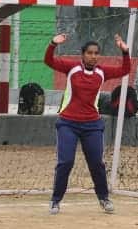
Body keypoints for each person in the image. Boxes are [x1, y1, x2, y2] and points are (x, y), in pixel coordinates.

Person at [44, 32, 131, 215]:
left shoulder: (102, 72)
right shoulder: (72, 68)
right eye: (90, 53)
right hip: (68, 123)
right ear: (83, 54)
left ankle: (104, 198)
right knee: (65, 162)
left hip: (92, 124)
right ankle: (55, 200)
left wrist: (125, 52)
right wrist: (53, 44)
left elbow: (125, 70)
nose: (93, 56)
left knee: (96, 163)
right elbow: (49, 61)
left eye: (96, 53)